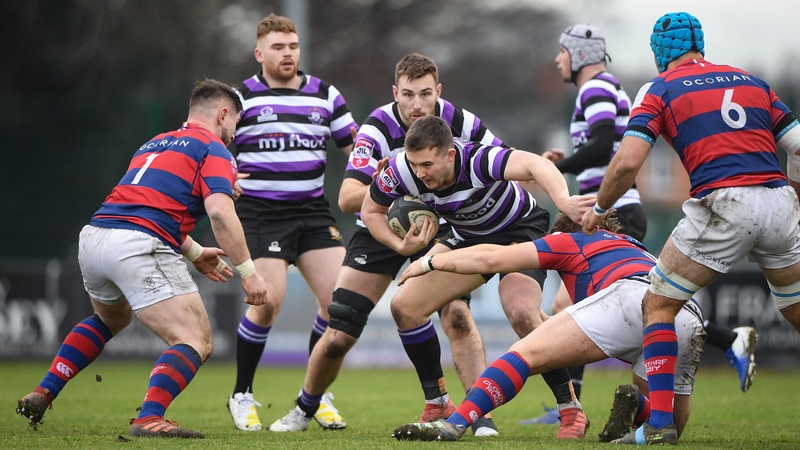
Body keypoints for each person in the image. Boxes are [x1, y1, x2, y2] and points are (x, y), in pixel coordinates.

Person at [581, 12, 800, 444]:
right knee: (795, 309)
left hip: (726, 204)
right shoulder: (751, 81)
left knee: (658, 305)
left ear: (660, 52)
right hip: (779, 201)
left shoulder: (659, 88)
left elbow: (626, 162)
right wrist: (792, 191)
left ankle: (659, 426)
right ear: (699, 43)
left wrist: (598, 207)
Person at [524, 22, 756, 426]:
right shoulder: (604, 88)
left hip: (614, 214)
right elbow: (604, 145)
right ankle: (726, 340)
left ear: (578, 55)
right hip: (620, 211)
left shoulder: (594, 88)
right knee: (633, 300)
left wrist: (554, 167)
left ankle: (571, 409)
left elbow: (600, 145)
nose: (557, 59)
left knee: (581, 306)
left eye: (562, 52)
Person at [15, 80, 269, 439]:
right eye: (235, 125)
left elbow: (151, 205)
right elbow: (221, 215)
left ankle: (44, 390)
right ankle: (149, 418)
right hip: (136, 244)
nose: (233, 135)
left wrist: (195, 252)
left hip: (95, 237)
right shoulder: (213, 148)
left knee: (109, 319)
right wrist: (249, 273)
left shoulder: (155, 143)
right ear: (222, 114)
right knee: (196, 339)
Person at [268, 53, 501, 436]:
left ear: (438, 91)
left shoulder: (462, 123)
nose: (416, 104)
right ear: (395, 92)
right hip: (379, 229)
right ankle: (304, 408)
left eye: (425, 94)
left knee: (456, 315)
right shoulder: (376, 126)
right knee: (339, 327)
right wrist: (387, 189)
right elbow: (347, 198)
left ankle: (479, 417)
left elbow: (499, 165)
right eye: (407, 94)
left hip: (438, 233)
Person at [362, 115, 594, 439]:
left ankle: (570, 410)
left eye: (427, 164)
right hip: (468, 237)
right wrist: (399, 244)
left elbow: (533, 165)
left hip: (519, 231)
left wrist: (564, 201)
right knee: (404, 306)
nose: (419, 173)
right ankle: (438, 401)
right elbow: (369, 210)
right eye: (414, 164)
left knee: (522, 312)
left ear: (449, 154)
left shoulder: (477, 159)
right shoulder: (402, 170)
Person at [389, 213, 705, 442]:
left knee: (524, 354)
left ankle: (454, 424)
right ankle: (638, 407)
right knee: (665, 425)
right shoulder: (634, 244)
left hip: (629, 297)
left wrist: (430, 262)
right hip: (685, 312)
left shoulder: (573, 239)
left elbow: (492, 258)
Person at [226, 13, 358, 432]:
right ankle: (241, 394)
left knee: (339, 306)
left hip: (313, 210)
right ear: (259, 52)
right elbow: (207, 142)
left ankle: (314, 397)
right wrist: (224, 171)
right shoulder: (240, 97)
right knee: (268, 303)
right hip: (261, 212)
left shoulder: (324, 94)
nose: (288, 54)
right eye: (278, 47)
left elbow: (356, 147)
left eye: (293, 46)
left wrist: (385, 172)